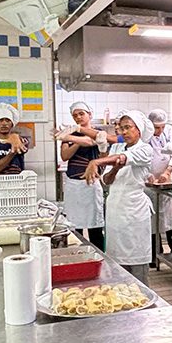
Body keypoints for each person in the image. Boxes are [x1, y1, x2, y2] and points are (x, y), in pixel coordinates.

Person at [82, 110, 155, 284]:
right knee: (116, 263)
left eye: (128, 127)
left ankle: (142, 299)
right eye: (122, 128)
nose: (123, 132)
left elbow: (123, 158)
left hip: (134, 210)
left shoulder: (145, 149)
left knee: (136, 262)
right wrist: (114, 168)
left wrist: (96, 161)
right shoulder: (116, 147)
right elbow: (106, 180)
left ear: (139, 129)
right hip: (115, 210)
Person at [57, 101, 108, 250]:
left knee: (96, 228)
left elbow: (93, 141)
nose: (78, 117)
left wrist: (70, 138)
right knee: (74, 227)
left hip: (91, 185)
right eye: (75, 115)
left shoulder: (97, 132)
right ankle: (76, 256)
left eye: (81, 114)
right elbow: (65, 155)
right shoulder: (70, 133)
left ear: (89, 114)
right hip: (73, 185)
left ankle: (100, 257)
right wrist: (77, 140)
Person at [147, 109, 172, 252]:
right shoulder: (144, 137)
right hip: (148, 186)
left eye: (162, 127)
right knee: (152, 222)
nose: (160, 130)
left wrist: (167, 171)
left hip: (165, 182)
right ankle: (154, 254)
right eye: (157, 127)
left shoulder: (168, 133)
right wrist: (147, 175)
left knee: (168, 220)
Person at [0, 103, 29, 175]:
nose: (4, 123)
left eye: (7, 120)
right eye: (0, 120)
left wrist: (15, 137)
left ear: (12, 124)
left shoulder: (20, 141)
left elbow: (24, 145)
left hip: (18, 183)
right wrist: (12, 153)